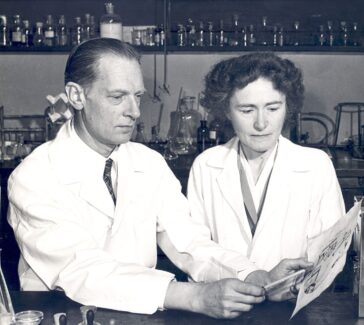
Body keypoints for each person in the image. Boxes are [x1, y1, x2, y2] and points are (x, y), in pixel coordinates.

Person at [7, 39, 308, 319]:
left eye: (137, 97)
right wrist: (194, 297)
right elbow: (82, 271)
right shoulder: (34, 177)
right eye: (117, 97)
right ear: (76, 96)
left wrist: (253, 276)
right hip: (63, 315)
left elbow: (189, 242)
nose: (134, 111)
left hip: (138, 316)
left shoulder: (147, 163)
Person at [187, 52, 345, 288]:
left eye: (272, 108)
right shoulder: (207, 165)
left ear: (287, 107)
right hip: (224, 303)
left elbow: (331, 251)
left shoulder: (315, 165)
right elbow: (194, 248)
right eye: (247, 110)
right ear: (227, 111)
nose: (261, 124)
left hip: (293, 305)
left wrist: (290, 286)